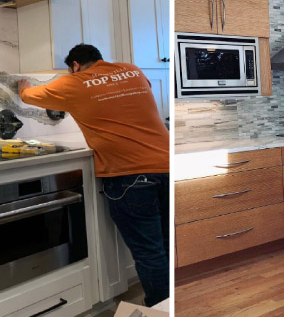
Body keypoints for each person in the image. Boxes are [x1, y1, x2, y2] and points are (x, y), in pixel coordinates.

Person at [17, 44, 170, 306]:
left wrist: (21, 86)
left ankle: (159, 309)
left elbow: (29, 96)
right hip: (166, 164)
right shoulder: (132, 71)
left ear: (75, 65)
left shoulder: (72, 83)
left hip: (129, 174)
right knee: (165, 243)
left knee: (149, 252)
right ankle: (170, 305)